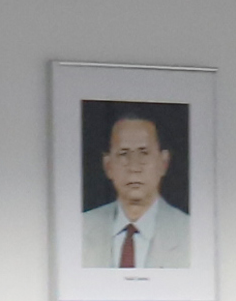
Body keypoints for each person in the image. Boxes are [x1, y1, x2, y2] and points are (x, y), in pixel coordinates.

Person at [77, 106, 190, 270]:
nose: (134, 167)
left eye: (144, 153)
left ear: (163, 163)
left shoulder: (190, 233)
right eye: (124, 153)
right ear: (108, 166)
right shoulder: (79, 229)